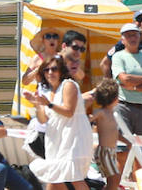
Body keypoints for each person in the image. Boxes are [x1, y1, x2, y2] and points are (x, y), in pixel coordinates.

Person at [30, 54, 92, 190]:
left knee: (75, 178)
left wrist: (49, 104)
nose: (50, 72)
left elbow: (69, 111)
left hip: (73, 135)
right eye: (46, 70)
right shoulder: (47, 91)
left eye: (54, 69)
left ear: (61, 71)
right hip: (56, 138)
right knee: (54, 178)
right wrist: (38, 105)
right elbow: (43, 119)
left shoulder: (68, 85)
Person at [111, 22, 142, 141]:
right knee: (123, 147)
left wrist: (135, 87)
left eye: (134, 35)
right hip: (123, 106)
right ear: (122, 40)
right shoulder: (118, 56)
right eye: (128, 35)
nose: (132, 38)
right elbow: (124, 79)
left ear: (139, 37)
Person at [90, 79, 122, 190]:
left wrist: (127, 141)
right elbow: (88, 118)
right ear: (114, 98)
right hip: (104, 151)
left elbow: (114, 132)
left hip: (111, 151)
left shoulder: (112, 113)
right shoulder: (101, 112)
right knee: (115, 178)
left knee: (113, 180)